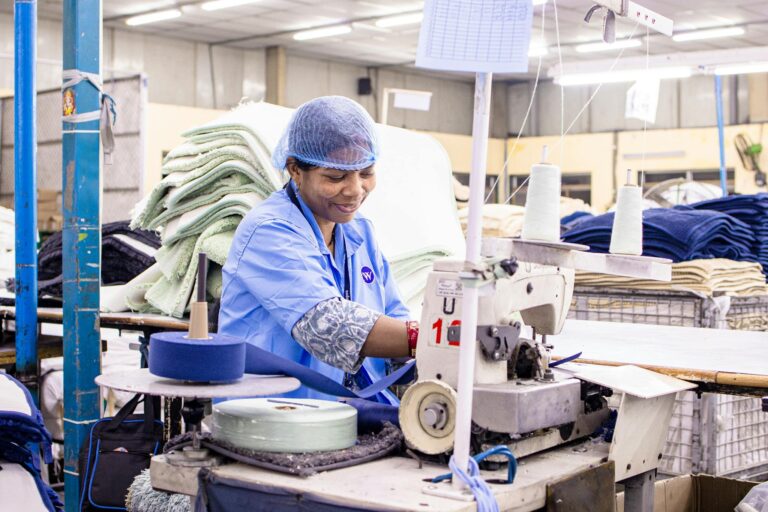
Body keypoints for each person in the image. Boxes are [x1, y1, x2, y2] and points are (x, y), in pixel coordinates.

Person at [218, 96, 418, 404]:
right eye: (336, 177)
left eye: (366, 173)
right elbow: (328, 326)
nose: (354, 190)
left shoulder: (359, 231)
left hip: (351, 413)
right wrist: (430, 336)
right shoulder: (269, 231)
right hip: (276, 417)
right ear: (295, 170)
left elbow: (394, 314)